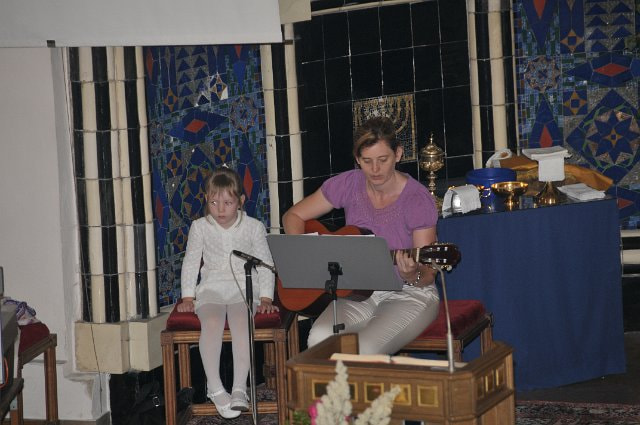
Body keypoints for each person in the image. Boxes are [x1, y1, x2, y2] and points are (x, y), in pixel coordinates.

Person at [282, 116, 440, 355]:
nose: (375, 169)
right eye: (367, 161)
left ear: (398, 154)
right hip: (358, 292)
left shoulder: (416, 200)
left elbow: (427, 274)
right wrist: (306, 253)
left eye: (383, 160)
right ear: (357, 159)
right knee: (318, 338)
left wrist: (412, 274)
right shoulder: (348, 184)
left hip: (410, 293)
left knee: (365, 348)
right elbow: (292, 216)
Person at [178, 166, 278, 419]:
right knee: (211, 322)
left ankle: (239, 388)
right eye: (214, 202)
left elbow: (265, 264)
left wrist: (266, 297)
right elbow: (191, 262)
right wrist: (188, 296)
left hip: (243, 288)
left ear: (240, 201)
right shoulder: (200, 227)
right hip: (211, 288)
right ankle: (214, 387)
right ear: (206, 200)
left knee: (241, 322)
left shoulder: (254, 227)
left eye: (227, 203)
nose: (220, 210)